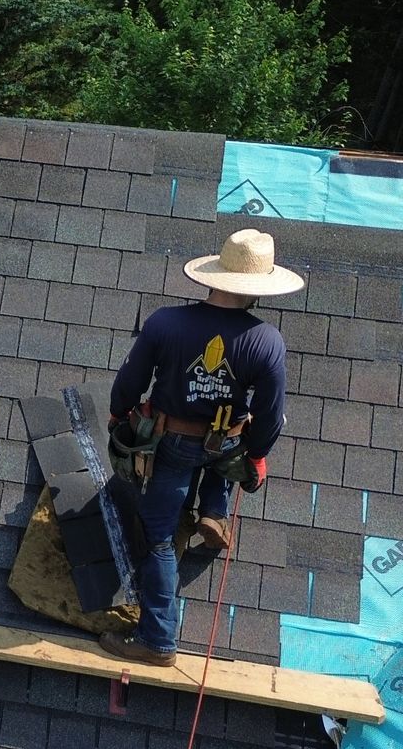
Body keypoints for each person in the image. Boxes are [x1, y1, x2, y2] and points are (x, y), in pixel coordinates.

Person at [100, 228, 302, 667]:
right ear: (257, 290)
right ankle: (214, 510)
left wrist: (120, 416)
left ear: (214, 278)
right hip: (223, 445)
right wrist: (257, 456)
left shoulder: (166, 323)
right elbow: (269, 414)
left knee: (159, 541)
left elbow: (130, 381)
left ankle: (157, 642)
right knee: (232, 450)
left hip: (172, 442)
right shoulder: (266, 341)